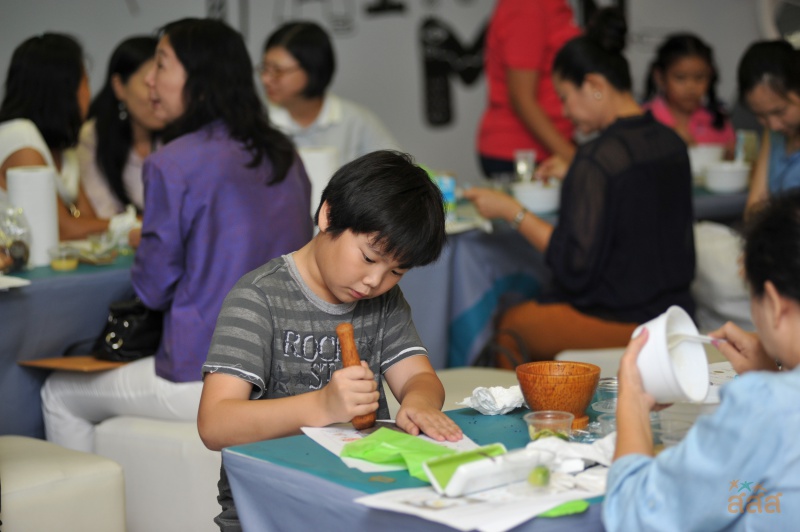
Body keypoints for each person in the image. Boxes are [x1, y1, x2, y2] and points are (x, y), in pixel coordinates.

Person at [41, 18, 313, 453]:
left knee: (58, 392)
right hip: (286, 369)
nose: (150, 80)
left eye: (162, 64)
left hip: (205, 376)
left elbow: (153, 288)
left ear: (199, 79)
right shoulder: (285, 154)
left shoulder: (173, 162)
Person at [198, 150, 463, 531]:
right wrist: (322, 405)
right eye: (369, 258)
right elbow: (215, 423)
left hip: (360, 500)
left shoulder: (384, 302)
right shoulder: (258, 297)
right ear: (328, 215)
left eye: (396, 271)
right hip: (270, 512)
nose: (375, 281)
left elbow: (418, 378)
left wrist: (420, 403)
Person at [464, 8, 695, 364]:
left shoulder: (596, 159)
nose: (564, 111)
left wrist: (511, 211)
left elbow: (572, 267)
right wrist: (577, 174)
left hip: (625, 320)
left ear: (595, 86)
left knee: (511, 326)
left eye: (565, 96)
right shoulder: (671, 142)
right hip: (677, 312)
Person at [605, 190, 800, 531]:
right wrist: (776, 373)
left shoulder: (767, 407)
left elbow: (633, 515)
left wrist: (633, 406)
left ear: (773, 302)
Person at [260, 20, 400, 210]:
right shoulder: (257, 121)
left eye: (277, 71)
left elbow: (396, 176)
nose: (266, 79)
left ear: (312, 68)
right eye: (265, 68)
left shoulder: (355, 121)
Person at [0, 33, 111, 240]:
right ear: (64, 90)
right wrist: (133, 223)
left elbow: (89, 221)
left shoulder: (63, 147)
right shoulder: (21, 137)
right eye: (85, 81)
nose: (88, 93)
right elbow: (64, 229)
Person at [476, 0, 580, 179]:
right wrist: (575, 159)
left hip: (548, 150)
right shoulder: (527, 5)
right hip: (521, 154)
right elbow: (521, 98)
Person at [78, 36, 165, 220]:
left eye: (162, 83)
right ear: (119, 86)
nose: (157, 95)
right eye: (148, 84)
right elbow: (102, 214)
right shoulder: (93, 137)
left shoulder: (181, 137)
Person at [642, 33, 736, 157]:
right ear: (659, 77)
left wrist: (730, 156)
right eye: (680, 78)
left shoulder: (717, 119)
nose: (690, 87)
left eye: (699, 77)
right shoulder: (643, 118)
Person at [738, 40, 800, 218]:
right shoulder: (773, 134)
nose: (774, 125)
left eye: (780, 111)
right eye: (761, 116)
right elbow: (755, 207)